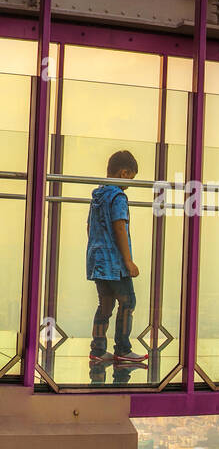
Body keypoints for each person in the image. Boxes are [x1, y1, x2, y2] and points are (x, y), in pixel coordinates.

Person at [87, 149, 146, 366]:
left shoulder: (98, 195)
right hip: (115, 264)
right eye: (130, 178)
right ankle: (123, 349)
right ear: (123, 173)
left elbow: (89, 227)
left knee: (105, 305)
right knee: (128, 302)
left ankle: (98, 350)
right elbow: (119, 227)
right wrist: (128, 261)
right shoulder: (118, 196)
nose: (130, 183)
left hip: (98, 261)